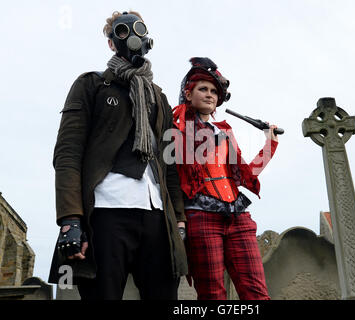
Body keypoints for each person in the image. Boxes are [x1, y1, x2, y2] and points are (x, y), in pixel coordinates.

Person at [48, 10, 188, 300]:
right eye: (122, 32)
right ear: (111, 43)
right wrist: (71, 219)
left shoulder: (158, 97)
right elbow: (68, 153)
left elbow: (169, 163)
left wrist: (180, 220)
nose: (132, 36)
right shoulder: (92, 84)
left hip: (157, 216)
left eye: (138, 29)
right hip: (106, 211)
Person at [171, 57, 279, 300]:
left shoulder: (225, 131)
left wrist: (270, 144)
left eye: (214, 91)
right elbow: (176, 175)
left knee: (256, 293)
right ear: (188, 94)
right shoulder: (176, 130)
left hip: (238, 216)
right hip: (201, 216)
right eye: (203, 89)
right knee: (212, 295)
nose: (210, 95)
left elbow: (246, 174)